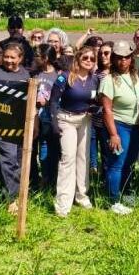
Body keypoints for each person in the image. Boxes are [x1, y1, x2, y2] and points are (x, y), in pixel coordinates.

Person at [50, 46, 99, 217]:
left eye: (92, 58)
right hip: (67, 119)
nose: (88, 61)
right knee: (68, 158)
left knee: (83, 158)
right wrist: (54, 121)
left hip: (85, 119)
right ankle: (63, 202)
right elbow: (54, 100)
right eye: (85, 57)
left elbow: (95, 99)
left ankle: (82, 195)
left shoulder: (94, 79)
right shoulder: (65, 77)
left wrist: (95, 108)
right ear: (78, 58)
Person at [98, 40, 139, 215]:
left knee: (129, 164)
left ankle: (126, 194)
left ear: (131, 59)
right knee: (116, 164)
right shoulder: (109, 80)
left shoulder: (134, 76)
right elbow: (107, 110)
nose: (122, 61)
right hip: (119, 126)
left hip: (135, 127)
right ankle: (113, 200)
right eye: (118, 58)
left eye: (126, 58)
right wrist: (113, 134)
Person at [0, 43, 31, 214]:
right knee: (8, 159)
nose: (9, 60)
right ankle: (10, 199)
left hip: (21, 125)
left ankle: (19, 193)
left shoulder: (25, 74)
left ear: (20, 58)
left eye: (13, 57)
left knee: (20, 161)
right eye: (6, 57)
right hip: (3, 126)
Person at [34, 44, 61, 188]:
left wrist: (48, 101)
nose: (35, 58)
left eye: (37, 55)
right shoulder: (36, 74)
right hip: (40, 118)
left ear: (45, 58)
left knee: (55, 148)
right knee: (43, 147)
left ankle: (54, 178)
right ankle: (45, 177)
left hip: (55, 119)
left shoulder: (58, 75)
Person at [90, 41, 113, 176]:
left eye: (106, 53)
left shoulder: (115, 74)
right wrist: (97, 96)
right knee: (92, 152)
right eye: (101, 53)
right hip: (94, 119)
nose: (103, 56)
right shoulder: (95, 74)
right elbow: (92, 93)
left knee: (107, 153)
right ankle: (93, 175)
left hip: (108, 120)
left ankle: (106, 180)